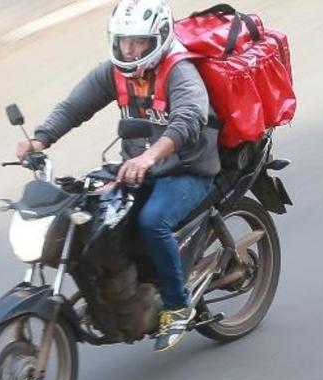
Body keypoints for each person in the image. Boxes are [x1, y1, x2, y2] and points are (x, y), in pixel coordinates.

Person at [15, 0, 220, 352]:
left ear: (158, 39)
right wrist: (40, 138)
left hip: (187, 169)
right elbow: (76, 105)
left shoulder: (179, 71)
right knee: (89, 211)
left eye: (139, 42)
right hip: (136, 167)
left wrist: (151, 155)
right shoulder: (116, 71)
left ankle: (176, 305)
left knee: (152, 221)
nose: (129, 49)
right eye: (124, 41)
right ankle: (117, 288)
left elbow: (189, 117)